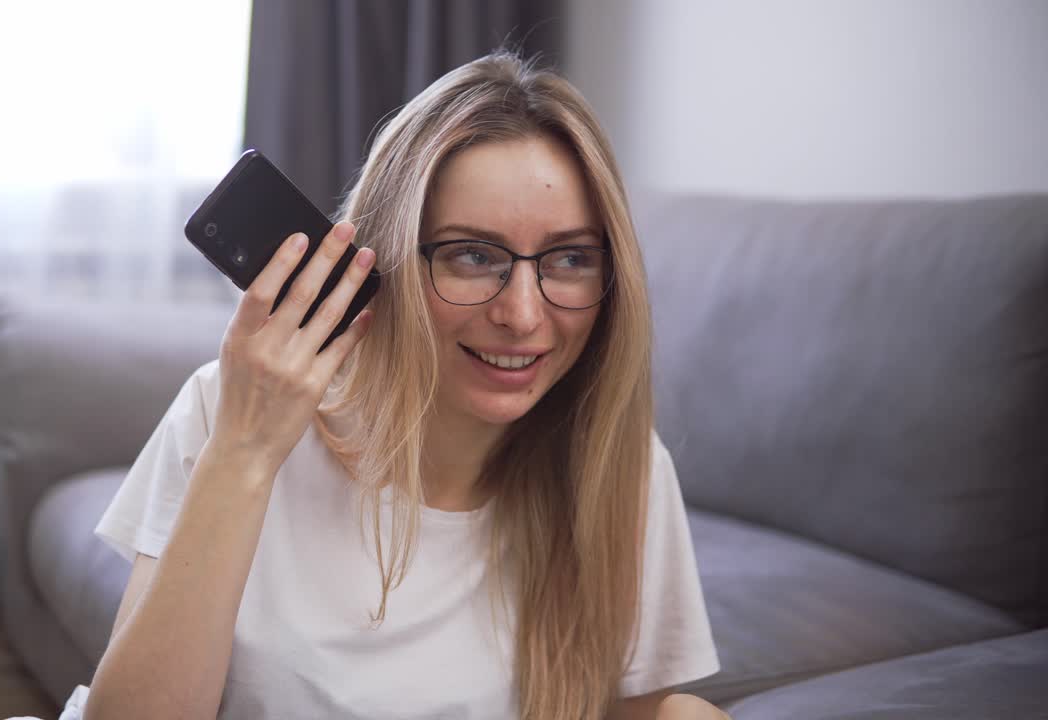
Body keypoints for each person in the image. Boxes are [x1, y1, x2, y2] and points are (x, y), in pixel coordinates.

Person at [71, 51, 726, 720]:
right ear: (378, 259)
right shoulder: (227, 409)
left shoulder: (623, 468)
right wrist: (245, 452)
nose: (523, 315)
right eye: (474, 254)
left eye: (569, 259)